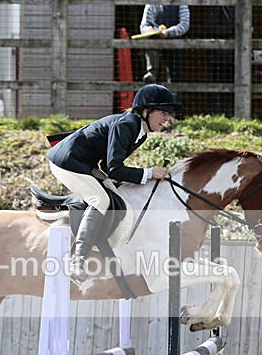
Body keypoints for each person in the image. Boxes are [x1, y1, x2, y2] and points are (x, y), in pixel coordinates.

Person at [46, 84, 182, 284]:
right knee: (100, 200)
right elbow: (114, 169)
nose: (167, 118)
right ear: (145, 111)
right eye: (163, 112)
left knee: (118, 197)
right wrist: (150, 173)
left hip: (85, 163)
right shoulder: (126, 125)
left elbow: (109, 166)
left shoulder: (140, 132)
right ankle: (76, 260)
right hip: (66, 162)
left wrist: (143, 175)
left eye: (168, 114)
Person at [139, 5, 190, 83]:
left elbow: (184, 24)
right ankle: (151, 73)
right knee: (151, 45)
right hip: (155, 40)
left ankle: (174, 87)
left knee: (174, 75)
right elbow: (144, 25)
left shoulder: (181, 3)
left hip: (175, 41)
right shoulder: (151, 3)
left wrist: (169, 32)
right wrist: (149, 30)